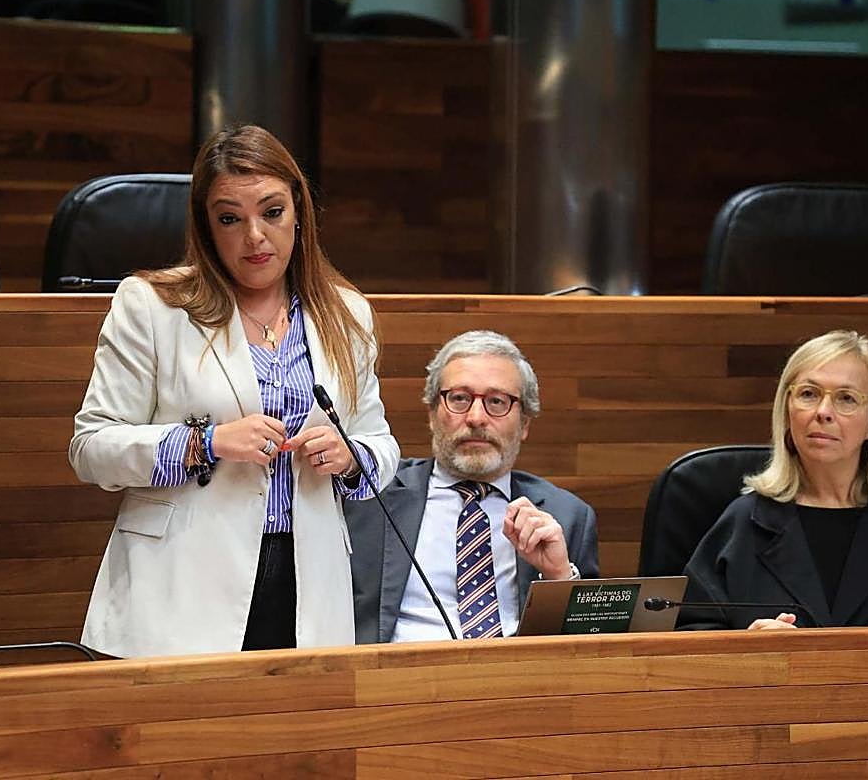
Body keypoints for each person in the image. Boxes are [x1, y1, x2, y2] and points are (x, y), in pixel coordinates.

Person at [69, 124, 399, 657]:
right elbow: (91, 448)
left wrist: (350, 456)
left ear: (299, 213)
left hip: (307, 583)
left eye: (272, 212)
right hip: (181, 582)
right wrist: (205, 442)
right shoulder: (152, 306)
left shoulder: (347, 314)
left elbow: (380, 445)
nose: (255, 236)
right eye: (230, 218)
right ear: (206, 226)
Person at [680, 330, 868, 630]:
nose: (823, 412)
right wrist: (750, 645)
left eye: (846, 398)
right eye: (808, 394)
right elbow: (689, 634)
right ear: (787, 411)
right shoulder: (745, 521)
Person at [345, 330, 599, 643]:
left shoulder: (568, 516)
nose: (476, 418)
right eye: (459, 399)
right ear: (432, 414)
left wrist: (558, 578)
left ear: (525, 424)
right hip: (400, 668)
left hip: (514, 670)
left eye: (497, 402)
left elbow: (591, 648)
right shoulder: (371, 494)